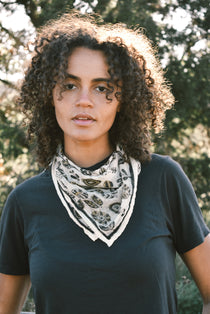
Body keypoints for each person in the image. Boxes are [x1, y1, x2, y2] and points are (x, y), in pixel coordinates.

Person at [0, 11, 209, 314]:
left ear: (124, 100)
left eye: (101, 87)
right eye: (69, 85)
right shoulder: (24, 202)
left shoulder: (163, 179)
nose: (84, 100)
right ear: (50, 95)